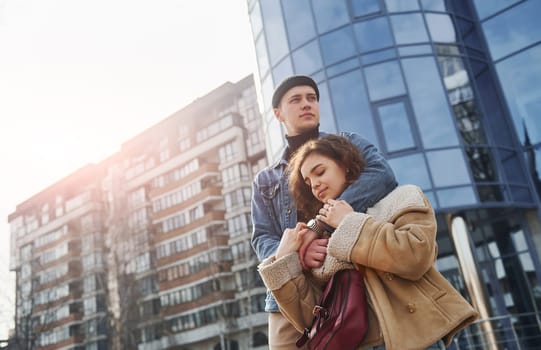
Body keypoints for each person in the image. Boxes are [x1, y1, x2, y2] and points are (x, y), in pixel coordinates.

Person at [258, 135, 479, 350]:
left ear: (345, 164)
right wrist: (285, 260)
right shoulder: (319, 243)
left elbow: (415, 256)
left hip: (417, 340)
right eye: (308, 182)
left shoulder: (402, 199)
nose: (315, 185)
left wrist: (348, 221)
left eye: (320, 172)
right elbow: (310, 317)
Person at [250, 75, 397, 348]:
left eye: (312, 98)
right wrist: (297, 253)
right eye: (296, 99)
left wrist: (319, 227)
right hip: (289, 290)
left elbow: (382, 175)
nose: (307, 104)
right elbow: (262, 238)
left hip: (353, 279)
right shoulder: (265, 179)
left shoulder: (347, 143)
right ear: (278, 113)